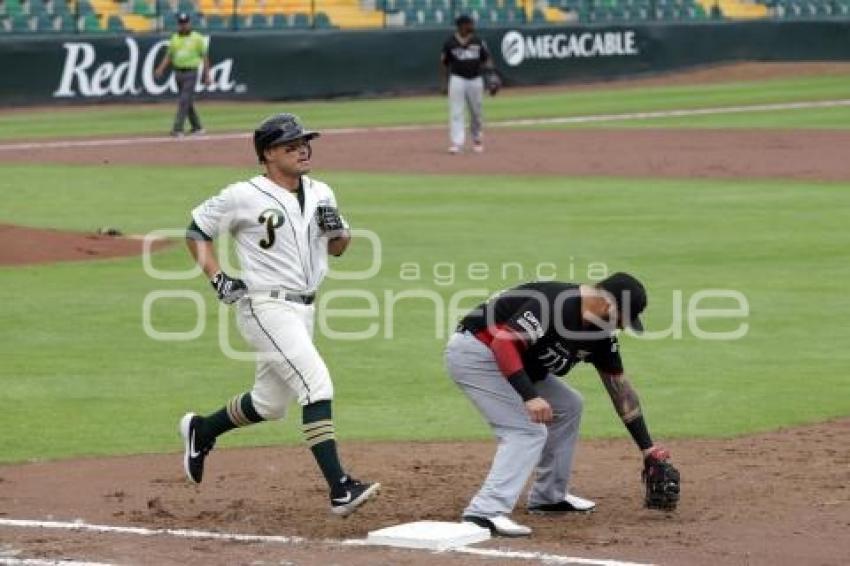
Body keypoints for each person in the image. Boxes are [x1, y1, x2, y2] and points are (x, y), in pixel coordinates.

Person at [180, 113, 380, 517]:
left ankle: (202, 430)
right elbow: (196, 229)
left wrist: (338, 231)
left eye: (305, 143)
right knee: (317, 385)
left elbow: (339, 248)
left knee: (270, 404)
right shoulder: (243, 195)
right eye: (291, 145)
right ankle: (340, 488)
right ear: (268, 153)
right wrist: (217, 278)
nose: (303, 150)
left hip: (305, 308)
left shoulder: (322, 190)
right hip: (265, 306)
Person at [445, 273, 677, 536]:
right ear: (607, 305)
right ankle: (484, 513)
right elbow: (504, 343)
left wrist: (647, 448)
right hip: (477, 352)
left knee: (569, 404)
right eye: (622, 319)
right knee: (526, 431)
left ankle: (548, 497)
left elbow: (619, 388)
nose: (622, 328)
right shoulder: (552, 302)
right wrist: (529, 396)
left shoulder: (599, 333)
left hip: (517, 365)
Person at [440, 14, 493, 154]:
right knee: (456, 111)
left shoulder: (478, 40)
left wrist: (491, 74)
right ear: (462, 26)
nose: (472, 26)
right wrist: (445, 83)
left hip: (475, 79)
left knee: (476, 111)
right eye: (470, 24)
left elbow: (487, 58)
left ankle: (477, 139)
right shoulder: (450, 42)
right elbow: (444, 64)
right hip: (457, 79)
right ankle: (457, 143)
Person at [154, 13, 211, 137]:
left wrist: (207, 75)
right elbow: (169, 56)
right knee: (187, 101)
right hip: (178, 73)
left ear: (189, 23)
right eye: (181, 23)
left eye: (185, 22)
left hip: (191, 72)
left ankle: (177, 128)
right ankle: (197, 127)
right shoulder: (175, 38)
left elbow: (205, 57)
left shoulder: (197, 38)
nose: (183, 25)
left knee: (183, 100)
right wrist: (160, 68)